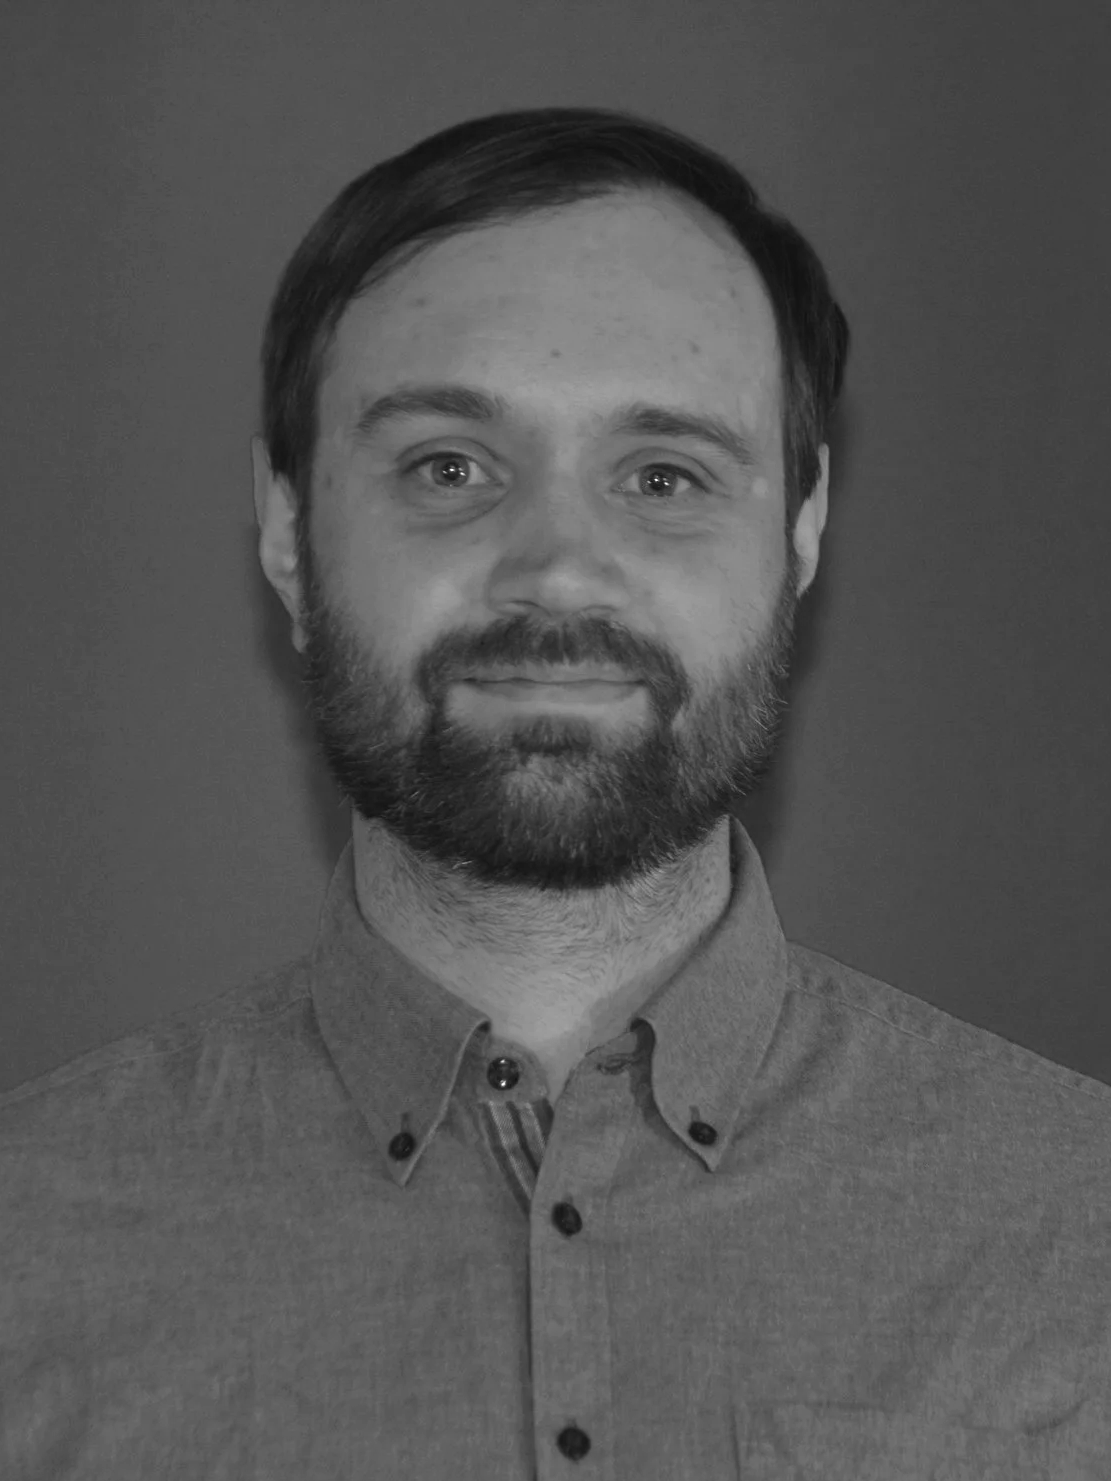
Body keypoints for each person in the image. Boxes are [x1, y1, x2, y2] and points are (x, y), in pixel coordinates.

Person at [2, 107, 1108, 1479]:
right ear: (288, 532)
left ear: (800, 535)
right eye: (448, 469)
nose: (560, 570)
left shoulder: (1079, 1232)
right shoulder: (27, 1248)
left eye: (662, 476)